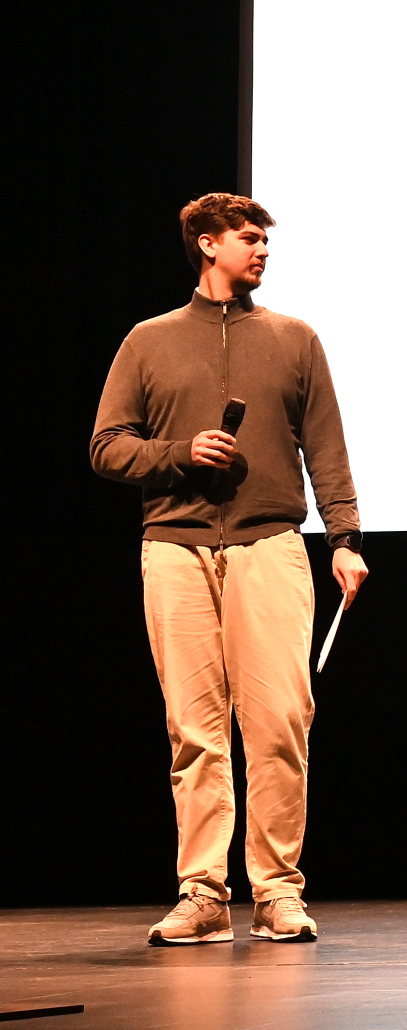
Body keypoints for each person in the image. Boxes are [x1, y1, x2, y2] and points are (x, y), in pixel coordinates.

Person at [91, 193, 368, 946]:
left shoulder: (294, 338)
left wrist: (344, 536)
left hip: (268, 544)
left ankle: (277, 890)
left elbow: (327, 447)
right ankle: (203, 893)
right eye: (249, 239)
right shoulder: (149, 341)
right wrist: (178, 454)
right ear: (207, 245)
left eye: (264, 240)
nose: (262, 251)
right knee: (195, 730)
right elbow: (107, 444)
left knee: (280, 719)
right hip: (175, 549)